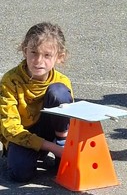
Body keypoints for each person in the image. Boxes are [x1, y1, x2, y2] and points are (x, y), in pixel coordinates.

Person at [0, 22, 73, 183]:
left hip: (50, 131)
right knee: (20, 174)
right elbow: (9, 128)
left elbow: (72, 118)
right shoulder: (10, 80)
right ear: (24, 50)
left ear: (59, 57)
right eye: (33, 52)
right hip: (22, 135)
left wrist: (63, 147)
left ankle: (62, 142)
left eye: (47, 55)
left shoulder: (62, 81)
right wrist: (51, 147)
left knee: (59, 92)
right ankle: (53, 150)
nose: (38, 61)